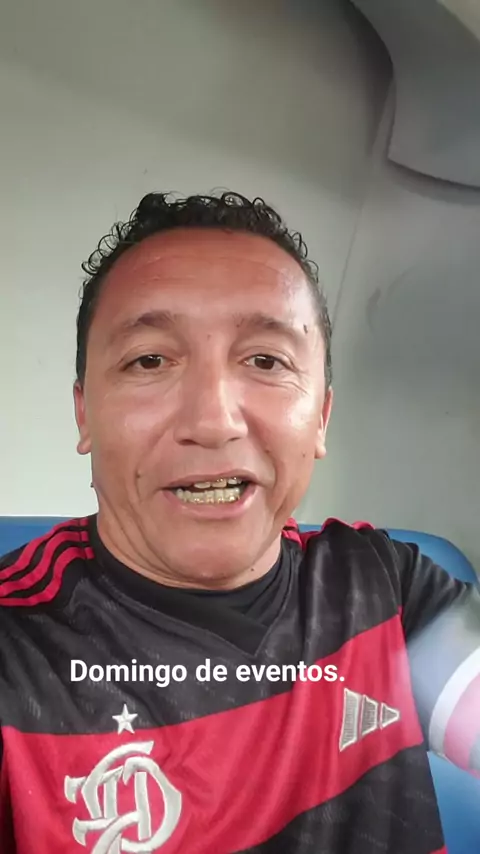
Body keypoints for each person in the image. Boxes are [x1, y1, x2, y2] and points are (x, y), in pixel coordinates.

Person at [0, 191, 478, 854]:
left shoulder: (390, 591)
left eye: (265, 361)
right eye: (149, 360)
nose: (213, 420)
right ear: (85, 413)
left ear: (321, 417)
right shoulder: (16, 646)